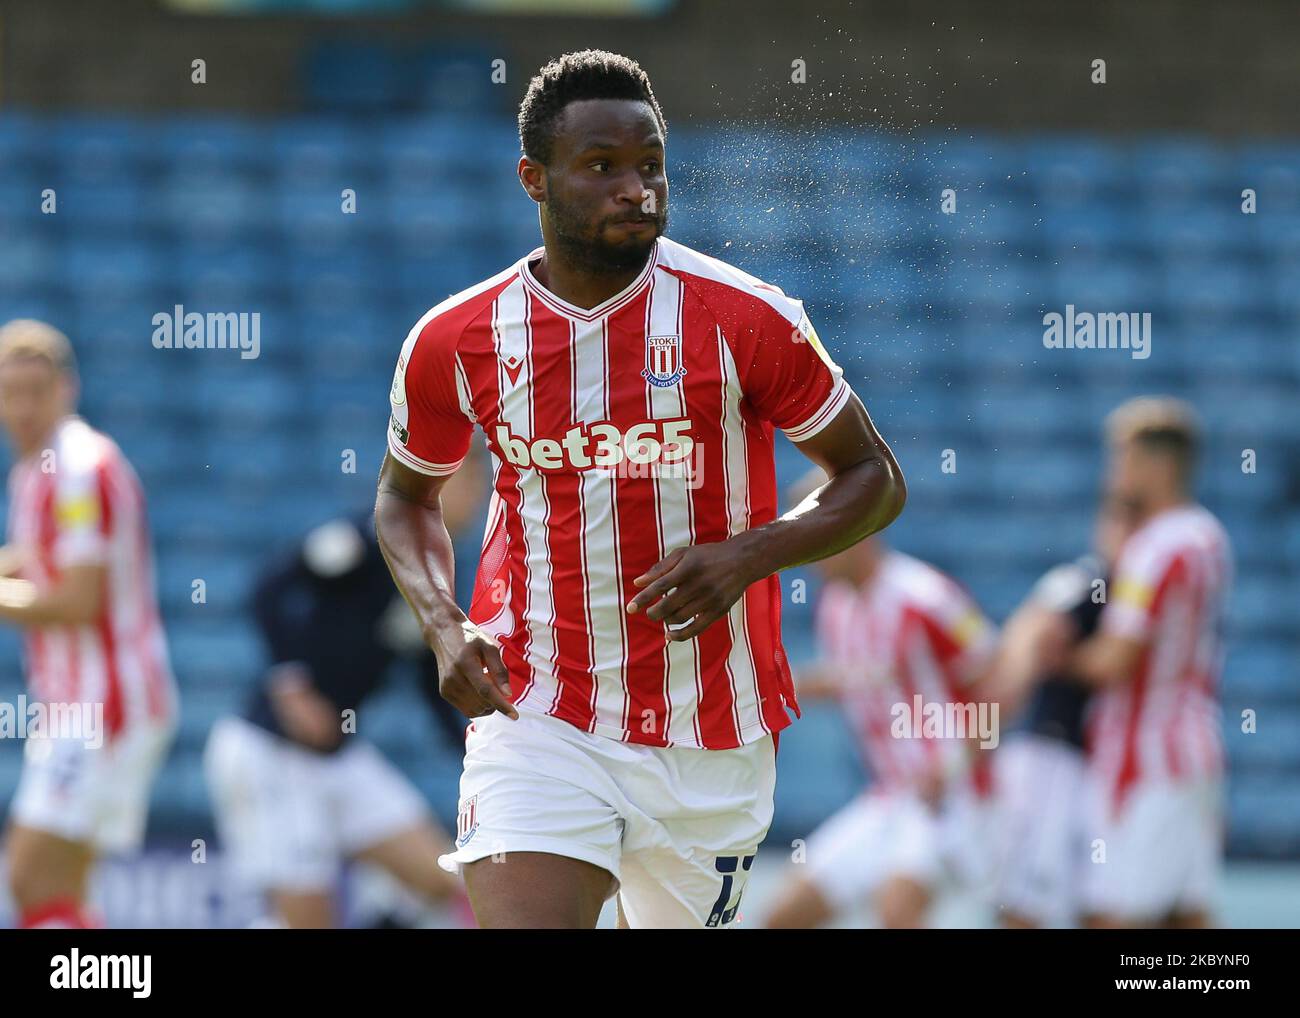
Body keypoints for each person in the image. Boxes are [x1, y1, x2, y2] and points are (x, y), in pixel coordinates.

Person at [374, 49, 906, 928]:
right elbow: (405, 498)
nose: (638, 189)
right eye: (603, 168)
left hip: (713, 731)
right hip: (539, 710)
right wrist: (444, 624)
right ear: (533, 179)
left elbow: (873, 477)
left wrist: (749, 554)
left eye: (650, 165)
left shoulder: (745, 317)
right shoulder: (458, 338)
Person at [205, 448, 485, 928]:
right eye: (467, 481)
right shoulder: (371, 537)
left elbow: (430, 679)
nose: (475, 498)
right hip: (270, 749)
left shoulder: (441, 569)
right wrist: (289, 680)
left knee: (444, 884)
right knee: (307, 922)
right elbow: (270, 585)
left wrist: (477, 754)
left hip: (339, 754)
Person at [1022, 397, 1232, 928]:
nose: (1116, 471)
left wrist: (1058, 657)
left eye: (1123, 457)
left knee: (1115, 915)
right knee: (1186, 915)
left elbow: (1117, 659)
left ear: (1158, 465)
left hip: (1145, 758)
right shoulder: (1209, 536)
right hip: (1196, 743)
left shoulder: (1153, 547)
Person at [0, 319, 177, 929]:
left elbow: (78, 599)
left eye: (35, 390)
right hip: (80, 704)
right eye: (9, 392)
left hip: (105, 704)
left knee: (27, 875)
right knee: (60, 891)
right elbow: (33, 560)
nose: (22, 407)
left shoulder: (78, 467)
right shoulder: (34, 472)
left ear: (66, 389)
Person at [764, 531, 1000, 928]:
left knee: (896, 910)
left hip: (950, 798)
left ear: (857, 528)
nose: (810, 555)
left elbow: (997, 676)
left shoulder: (925, 595)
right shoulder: (834, 608)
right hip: (888, 797)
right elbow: (861, 680)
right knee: (784, 916)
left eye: (821, 535)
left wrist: (955, 763)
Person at [988, 494, 1137, 928]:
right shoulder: (1091, 577)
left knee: (1101, 905)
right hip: (1052, 756)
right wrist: (993, 716)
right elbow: (1035, 630)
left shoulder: (1133, 590)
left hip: (1096, 766)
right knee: (1025, 905)